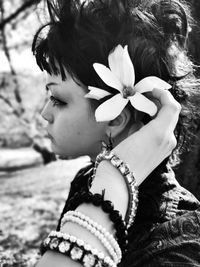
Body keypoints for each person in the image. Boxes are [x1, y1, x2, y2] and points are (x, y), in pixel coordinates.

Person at [32, 0, 200, 266]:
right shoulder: (87, 180)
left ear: (115, 116)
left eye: (58, 99)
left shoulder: (180, 244)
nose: (44, 113)